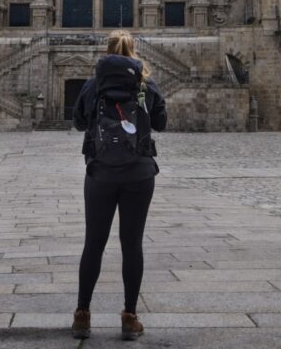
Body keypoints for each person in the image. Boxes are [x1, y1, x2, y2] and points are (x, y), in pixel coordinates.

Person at [72, 30, 167, 340]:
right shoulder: (145, 84)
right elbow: (161, 123)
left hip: (100, 172)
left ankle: (82, 316)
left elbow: (80, 123)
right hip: (139, 173)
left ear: (107, 51)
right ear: (133, 51)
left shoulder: (93, 84)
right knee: (132, 245)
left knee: (93, 244)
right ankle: (129, 316)